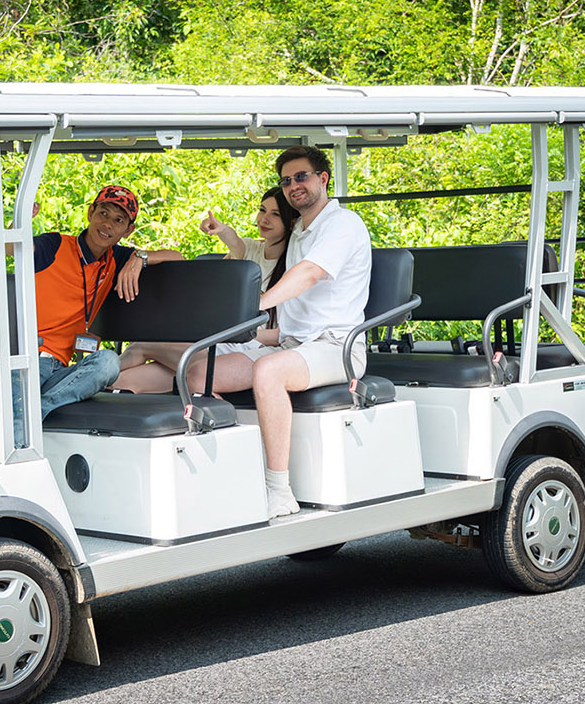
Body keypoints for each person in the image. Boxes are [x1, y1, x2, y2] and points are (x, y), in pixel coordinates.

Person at [174, 146, 371, 520]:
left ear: (322, 178)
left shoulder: (343, 224)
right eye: (287, 180)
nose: (294, 185)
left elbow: (309, 273)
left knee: (269, 371)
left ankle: (279, 489)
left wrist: (258, 304)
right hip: (292, 345)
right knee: (199, 372)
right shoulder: (299, 231)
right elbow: (257, 249)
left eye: (301, 177)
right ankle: (236, 467)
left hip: (336, 347)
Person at [116, 186, 297, 391]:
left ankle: (88, 373)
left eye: (275, 214)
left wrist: (232, 334)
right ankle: (89, 378)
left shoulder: (295, 268)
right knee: (122, 382)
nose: (264, 219)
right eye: (262, 210)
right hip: (218, 344)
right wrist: (221, 229)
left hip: (245, 349)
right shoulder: (251, 250)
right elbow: (233, 240)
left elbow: (283, 334)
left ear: (290, 222)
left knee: (143, 345)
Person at [19, 183, 155, 421]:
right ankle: (29, 417)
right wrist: (20, 222)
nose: (108, 224)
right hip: (23, 358)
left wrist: (139, 257)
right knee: (16, 404)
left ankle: (32, 413)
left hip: (60, 370)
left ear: (128, 231)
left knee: (109, 362)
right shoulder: (56, 245)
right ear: (91, 213)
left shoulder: (117, 259)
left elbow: (177, 256)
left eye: (118, 220)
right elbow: (11, 248)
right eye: (103, 213)